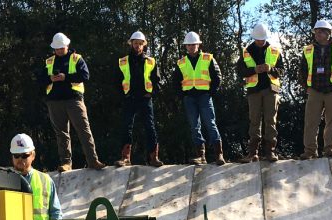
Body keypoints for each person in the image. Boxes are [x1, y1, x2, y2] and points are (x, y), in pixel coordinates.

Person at [37, 32, 106, 171]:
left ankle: (93, 160)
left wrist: (65, 77)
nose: (59, 51)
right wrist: (50, 78)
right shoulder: (49, 61)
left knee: (84, 130)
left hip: (74, 99)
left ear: (67, 45)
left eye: (61, 48)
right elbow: (40, 80)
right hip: (55, 101)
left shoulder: (77, 58)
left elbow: (85, 76)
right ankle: (66, 163)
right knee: (61, 134)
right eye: (56, 49)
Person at [300, 20, 332, 160]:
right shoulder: (308, 50)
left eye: (321, 31)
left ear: (328, 33)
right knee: (311, 121)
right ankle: (310, 150)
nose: (318, 34)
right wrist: (307, 87)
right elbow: (302, 70)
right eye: (316, 32)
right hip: (315, 90)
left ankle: (330, 148)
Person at [172, 31, 225, 165]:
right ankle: (201, 155)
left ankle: (219, 155)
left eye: (193, 44)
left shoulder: (208, 58)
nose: (191, 47)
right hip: (189, 97)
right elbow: (175, 81)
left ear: (198, 45)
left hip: (204, 96)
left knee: (210, 124)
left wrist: (211, 92)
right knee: (194, 126)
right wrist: (183, 95)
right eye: (188, 45)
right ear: (186, 46)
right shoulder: (181, 62)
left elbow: (217, 77)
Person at [114, 31, 164, 167]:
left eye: (140, 43)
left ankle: (153, 158)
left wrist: (151, 93)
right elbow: (117, 81)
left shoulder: (151, 61)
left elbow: (157, 80)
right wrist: (124, 95)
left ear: (144, 45)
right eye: (135, 43)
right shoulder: (122, 61)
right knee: (126, 126)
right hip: (129, 98)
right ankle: (125, 158)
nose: (137, 46)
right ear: (131, 44)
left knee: (150, 127)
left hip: (145, 99)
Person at [236, 23, 282, 163]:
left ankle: (270, 152)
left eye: (262, 39)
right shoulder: (246, 52)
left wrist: (270, 69)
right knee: (254, 120)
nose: (260, 42)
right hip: (254, 90)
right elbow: (240, 71)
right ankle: (252, 153)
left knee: (270, 120)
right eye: (258, 39)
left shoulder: (274, 51)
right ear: (254, 38)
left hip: (270, 90)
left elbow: (282, 71)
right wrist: (254, 70)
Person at [9, 134, 63, 220]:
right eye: (16, 155)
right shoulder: (3, 179)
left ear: (33, 155)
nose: (20, 159)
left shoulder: (45, 180)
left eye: (25, 155)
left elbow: (56, 213)